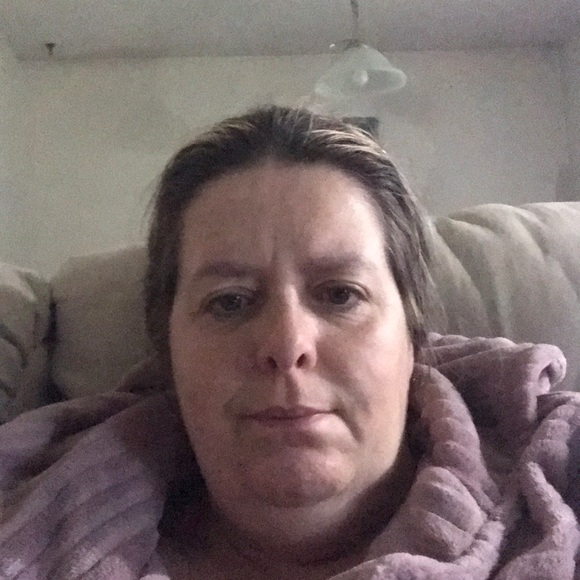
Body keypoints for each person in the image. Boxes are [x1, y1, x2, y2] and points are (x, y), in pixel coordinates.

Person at [0, 105, 579, 580]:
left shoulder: (562, 476)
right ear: (167, 349)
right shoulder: (27, 515)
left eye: (340, 294)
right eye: (230, 301)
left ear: (413, 335)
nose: (286, 344)